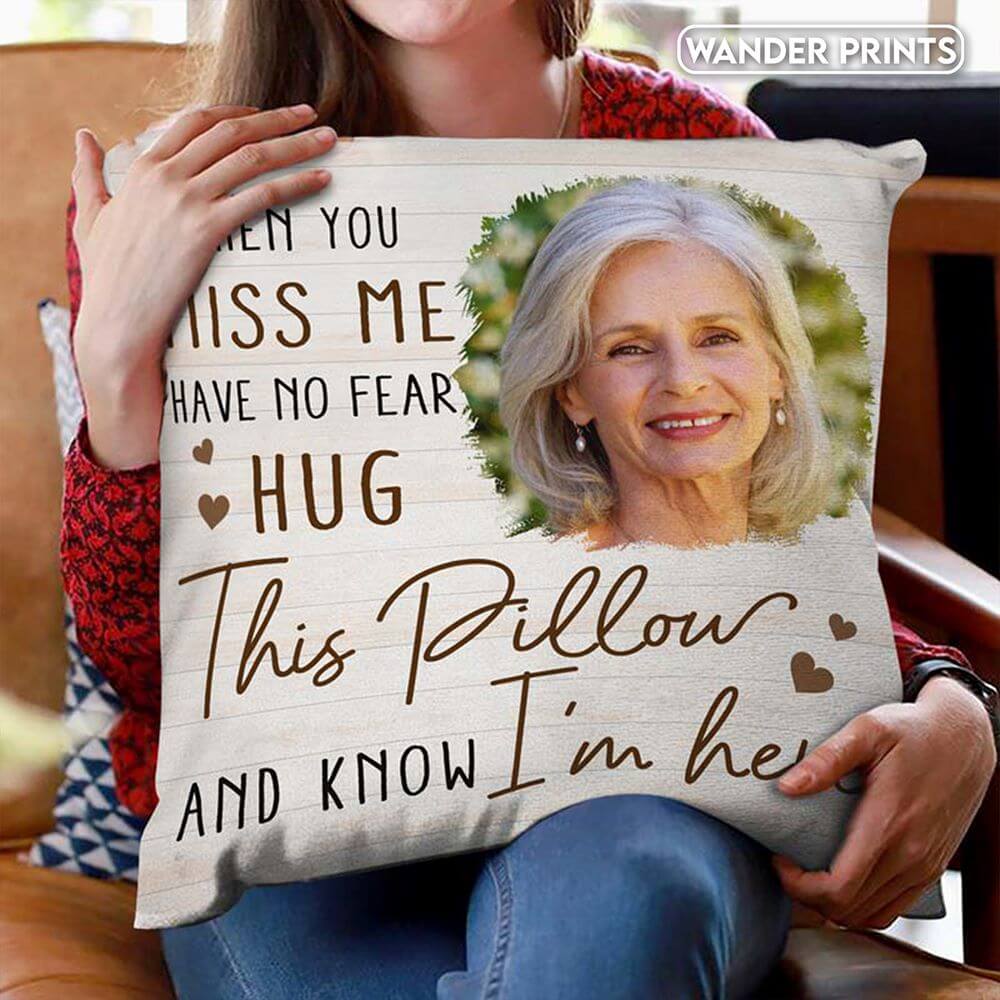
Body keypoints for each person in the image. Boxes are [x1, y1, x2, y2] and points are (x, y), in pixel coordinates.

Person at [62, 2, 996, 997]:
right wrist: (117, 366)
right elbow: (144, 662)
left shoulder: (710, 157)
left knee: (626, 894)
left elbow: (782, 540)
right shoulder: (185, 195)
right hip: (300, 828)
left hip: (644, 793)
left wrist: (952, 694)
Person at [500, 178, 836, 548]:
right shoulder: (539, 593)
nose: (683, 379)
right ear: (571, 393)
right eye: (630, 348)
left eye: (717, 338)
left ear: (777, 368)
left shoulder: (830, 575)